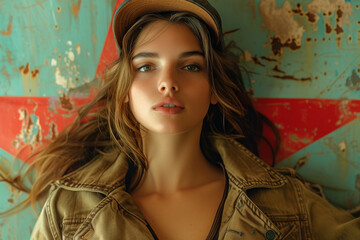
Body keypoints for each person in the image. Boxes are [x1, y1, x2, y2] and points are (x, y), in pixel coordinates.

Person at [1, 0, 359, 239]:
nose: (168, 82)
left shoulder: (284, 202)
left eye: (190, 66)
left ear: (214, 88)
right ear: (125, 89)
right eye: (146, 66)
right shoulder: (69, 212)